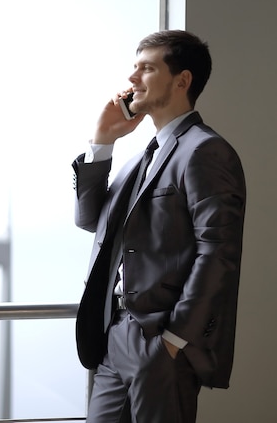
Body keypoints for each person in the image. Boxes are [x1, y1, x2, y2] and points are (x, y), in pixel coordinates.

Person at [71, 30, 246, 422]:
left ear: (182, 81)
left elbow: (218, 253)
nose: (132, 78)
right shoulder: (141, 158)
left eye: (147, 68)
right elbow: (89, 220)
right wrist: (102, 142)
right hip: (113, 334)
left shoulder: (205, 151)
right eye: (134, 68)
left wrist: (174, 339)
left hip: (159, 341)